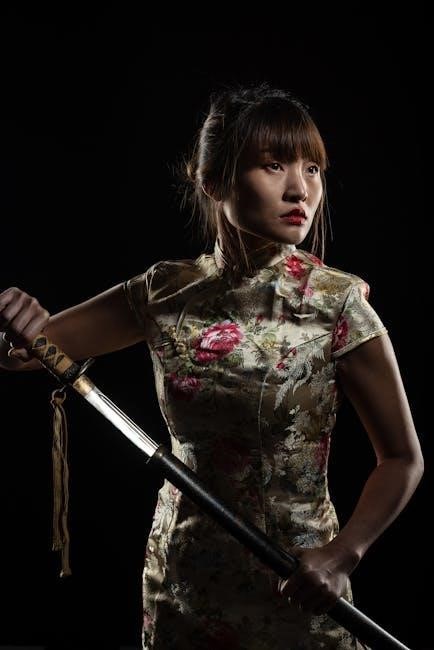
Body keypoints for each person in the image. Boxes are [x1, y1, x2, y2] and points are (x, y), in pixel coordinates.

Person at [0, 83, 424, 650]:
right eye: (273, 165)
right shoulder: (165, 292)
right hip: (184, 578)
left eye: (313, 169)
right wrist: (15, 322)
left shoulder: (336, 302)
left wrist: (341, 555)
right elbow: (32, 351)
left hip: (298, 581)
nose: (300, 189)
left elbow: (402, 459)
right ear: (213, 181)